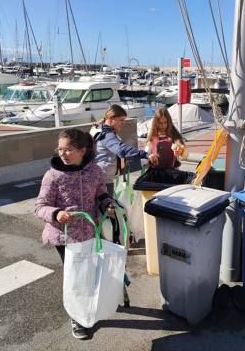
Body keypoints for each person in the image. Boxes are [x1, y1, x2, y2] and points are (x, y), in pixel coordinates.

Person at [35, 128, 115, 340]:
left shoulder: (95, 171)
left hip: (90, 232)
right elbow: (40, 206)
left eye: (68, 149)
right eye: (60, 149)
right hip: (64, 237)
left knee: (87, 274)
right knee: (75, 277)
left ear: (82, 150)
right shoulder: (53, 175)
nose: (62, 153)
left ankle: (88, 307)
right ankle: (77, 319)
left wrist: (108, 204)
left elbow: (102, 194)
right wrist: (56, 213)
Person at [91, 104, 158, 242]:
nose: (122, 124)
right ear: (111, 118)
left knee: (102, 212)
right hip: (103, 180)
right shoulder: (107, 135)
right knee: (105, 214)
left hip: (100, 177)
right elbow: (121, 149)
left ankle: (104, 240)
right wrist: (144, 154)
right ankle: (106, 243)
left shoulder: (100, 130)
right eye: (121, 120)